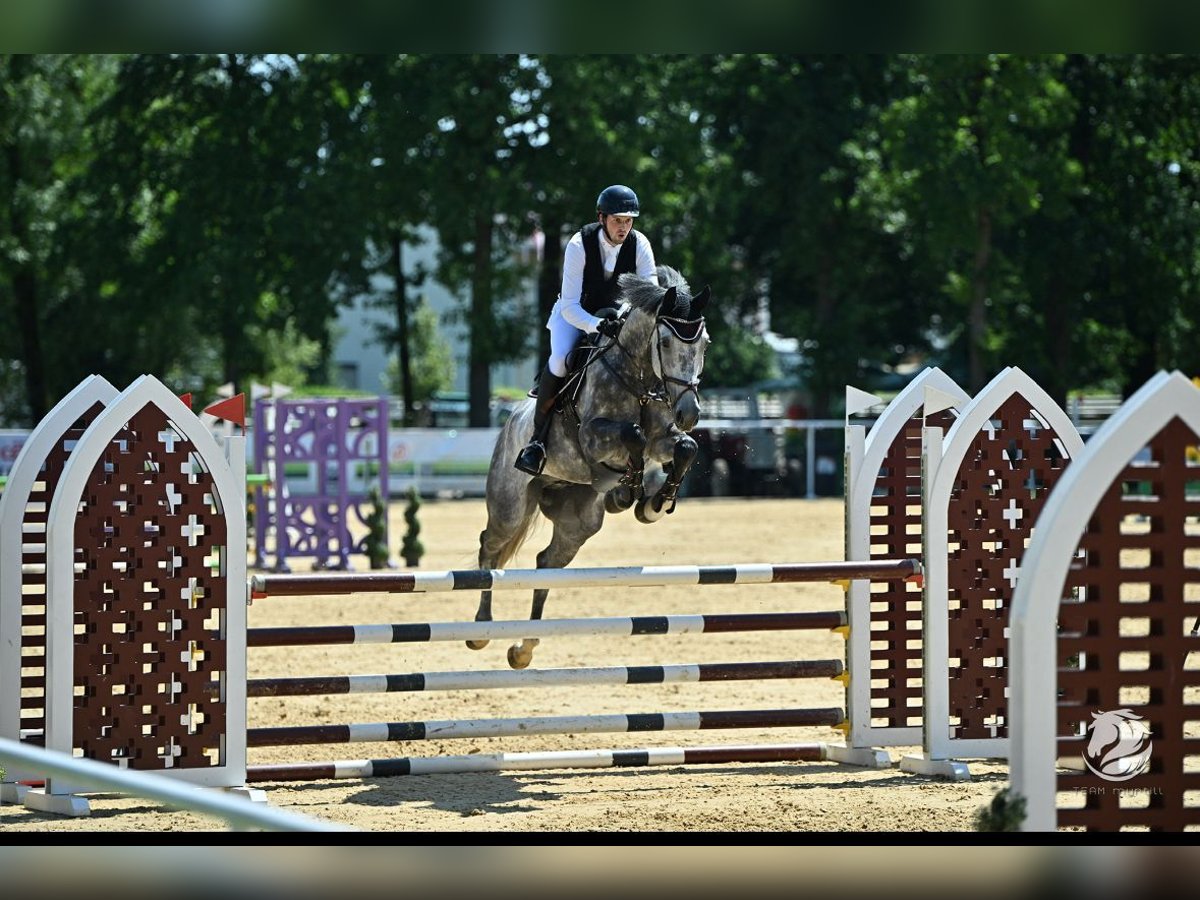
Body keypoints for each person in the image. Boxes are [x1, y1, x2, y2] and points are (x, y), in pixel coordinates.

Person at [514, 184, 660, 476]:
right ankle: (537, 442)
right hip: (576, 314)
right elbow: (569, 304)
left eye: (628, 220)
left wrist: (622, 319)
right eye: (617, 220)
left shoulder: (640, 244)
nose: (624, 227)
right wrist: (595, 324)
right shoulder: (579, 244)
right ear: (602, 217)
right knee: (559, 360)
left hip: (618, 317)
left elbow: (650, 296)